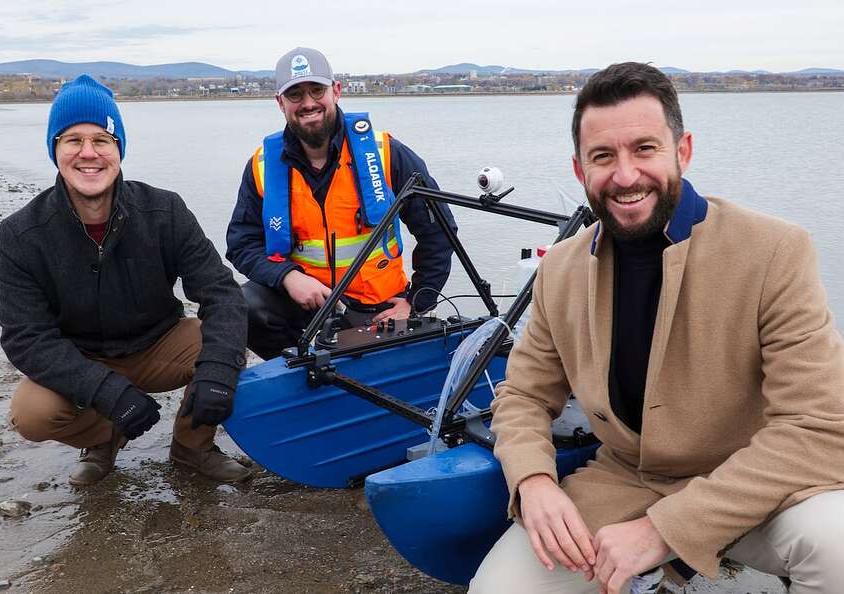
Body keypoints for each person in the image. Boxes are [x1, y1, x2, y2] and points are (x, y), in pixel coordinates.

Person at [470, 62, 844, 594]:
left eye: (644, 149)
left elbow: (817, 426)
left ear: (682, 151)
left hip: (753, 488)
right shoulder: (560, 268)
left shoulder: (773, 252)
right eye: (603, 157)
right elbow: (525, 395)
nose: (625, 176)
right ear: (580, 171)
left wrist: (664, 531)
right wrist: (532, 480)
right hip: (625, 480)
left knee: (838, 546)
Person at [0, 74, 252, 486]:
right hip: (82, 357)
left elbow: (222, 294)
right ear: (55, 150)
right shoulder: (22, 233)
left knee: (229, 343)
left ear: (119, 150)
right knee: (31, 412)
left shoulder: (165, 211)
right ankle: (103, 438)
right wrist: (107, 391)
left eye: (102, 140)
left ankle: (192, 446)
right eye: (73, 140)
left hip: (159, 343)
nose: (88, 153)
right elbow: (25, 337)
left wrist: (217, 375)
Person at [226, 47, 457, 359]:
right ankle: (301, 374)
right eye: (295, 95)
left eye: (316, 90)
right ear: (280, 103)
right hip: (307, 305)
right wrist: (288, 277)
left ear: (336, 91)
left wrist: (415, 303)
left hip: (379, 310)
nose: (308, 103)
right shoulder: (262, 166)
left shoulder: (387, 153)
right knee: (242, 307)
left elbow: (439, 232)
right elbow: (242, 243)